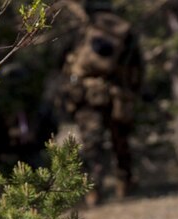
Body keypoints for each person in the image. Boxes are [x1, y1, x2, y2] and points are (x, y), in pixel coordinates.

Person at [60, 0, 143, 204]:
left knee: (91, 144)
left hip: (86, 95)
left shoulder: (83, 30)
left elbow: (63, 61)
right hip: (117, 95)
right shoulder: (125, 31)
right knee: (120, 142)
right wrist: (134, 90)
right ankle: (124, 184)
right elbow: (137, 67)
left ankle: (93, 190)